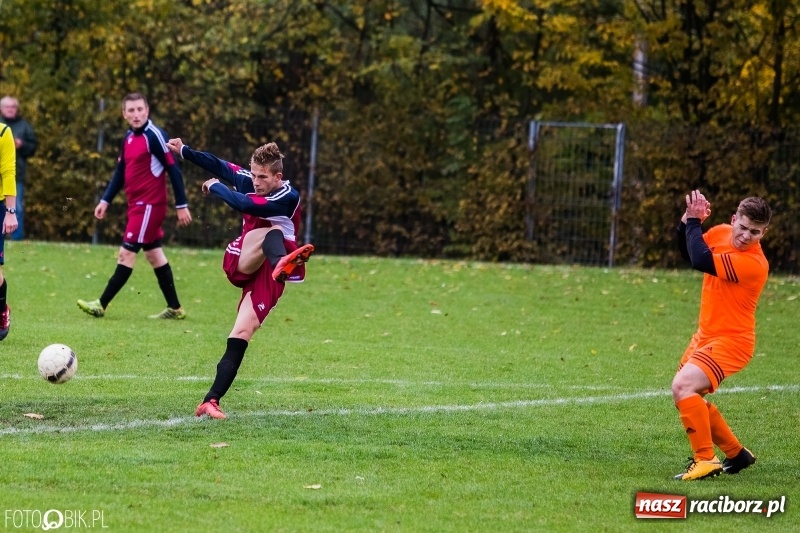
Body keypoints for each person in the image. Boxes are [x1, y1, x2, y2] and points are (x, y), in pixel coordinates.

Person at [166, 137, 314, 419]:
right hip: (244, 257)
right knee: (274, 235)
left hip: (269, 275)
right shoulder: (249, 178)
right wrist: (185, 151)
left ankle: (210, 401)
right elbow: (218, 164)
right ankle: (281, 262)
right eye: (254, 174)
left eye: (262, 177)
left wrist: (216, 187)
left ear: (277, 177)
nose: (255, 181)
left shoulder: (288, 197)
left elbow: (249, 207)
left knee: (241, 334)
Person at [672, 190, 771, 480]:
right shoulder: (720, 233)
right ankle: (737, 454)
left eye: (755, 232)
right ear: (733, 220)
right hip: (706, 335)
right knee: (686, 395)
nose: (745, 236)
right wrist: (686, 222)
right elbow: (687, 251)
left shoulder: (754, 264)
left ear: (763, 233)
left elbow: (701, 261)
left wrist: (694, 223)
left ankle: (705, 460)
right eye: (742, 227)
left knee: (683, 387)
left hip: (733, 341)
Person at [77, 93, 192, 319]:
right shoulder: (129, 136)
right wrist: (105, 200)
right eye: (131, 110)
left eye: (140, 109)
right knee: (154, 255)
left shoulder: (155, 135)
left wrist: (181, 204)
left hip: (150, 205)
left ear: (147, 111)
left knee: (125, 254)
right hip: (137, 206)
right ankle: (175, 309)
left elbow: (173, 169)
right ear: (124, 114)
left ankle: (101, 304)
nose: (136, 114)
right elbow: (121, 172)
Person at [0, 96, 36, 241]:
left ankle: (16, 238)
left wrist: (22, 145)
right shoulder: (1, 125)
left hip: (16, 173)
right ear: (1, 109)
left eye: (12, 107)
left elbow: (33, 146)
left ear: (17, 109)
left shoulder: (24, 126)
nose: (10, 109)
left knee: (16, 207)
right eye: (7, 107)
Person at [0, 120, 19, 339]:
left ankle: (1, 309)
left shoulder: (4, 132)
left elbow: (8, 172)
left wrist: (10, 211)